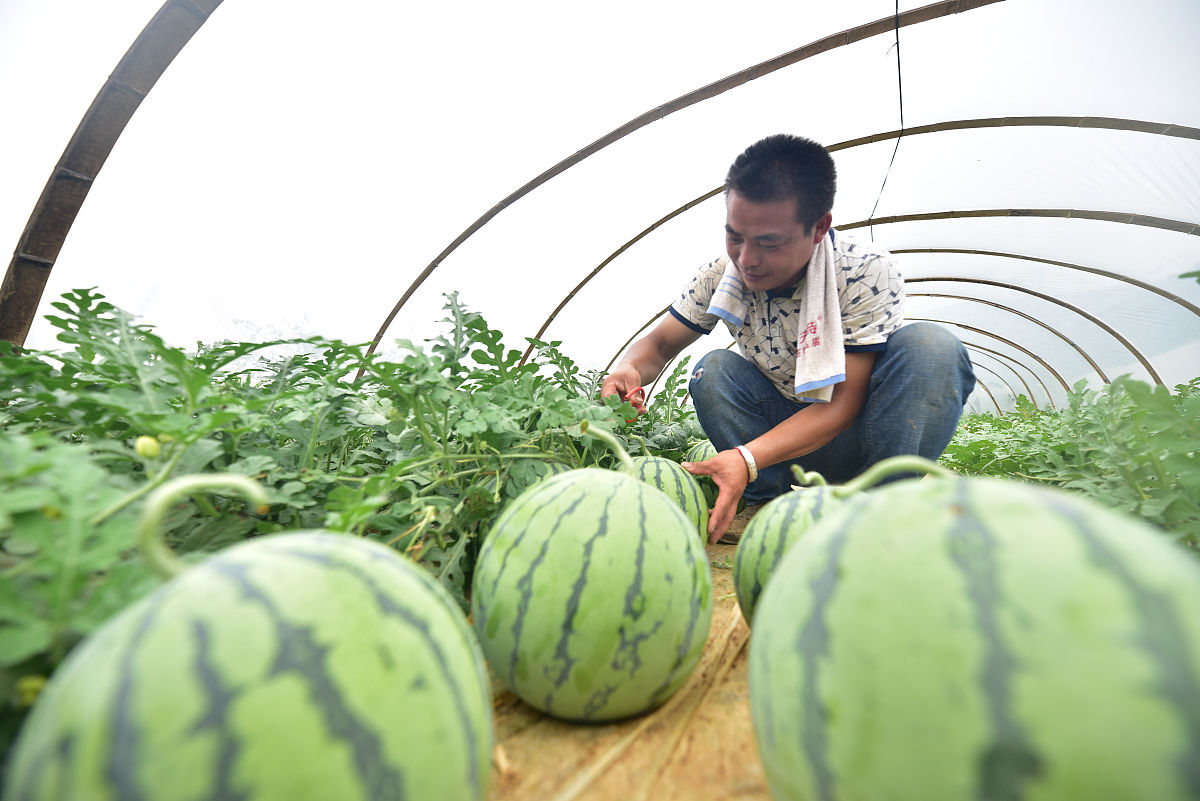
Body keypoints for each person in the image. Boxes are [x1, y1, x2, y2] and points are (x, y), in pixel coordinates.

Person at [600, 134, 976, 543]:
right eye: (735, 237)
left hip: (861, 435)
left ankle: (882, 513)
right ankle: (768, 503)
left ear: (819, 228)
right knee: (714, 370)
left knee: (932, 348)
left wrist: (744, 458)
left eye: (769, 243)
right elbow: (657, 346)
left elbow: (842, 404)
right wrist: (628, 368)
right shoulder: (719, 277)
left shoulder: (864, 272)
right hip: (779, 434)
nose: (746, 259)